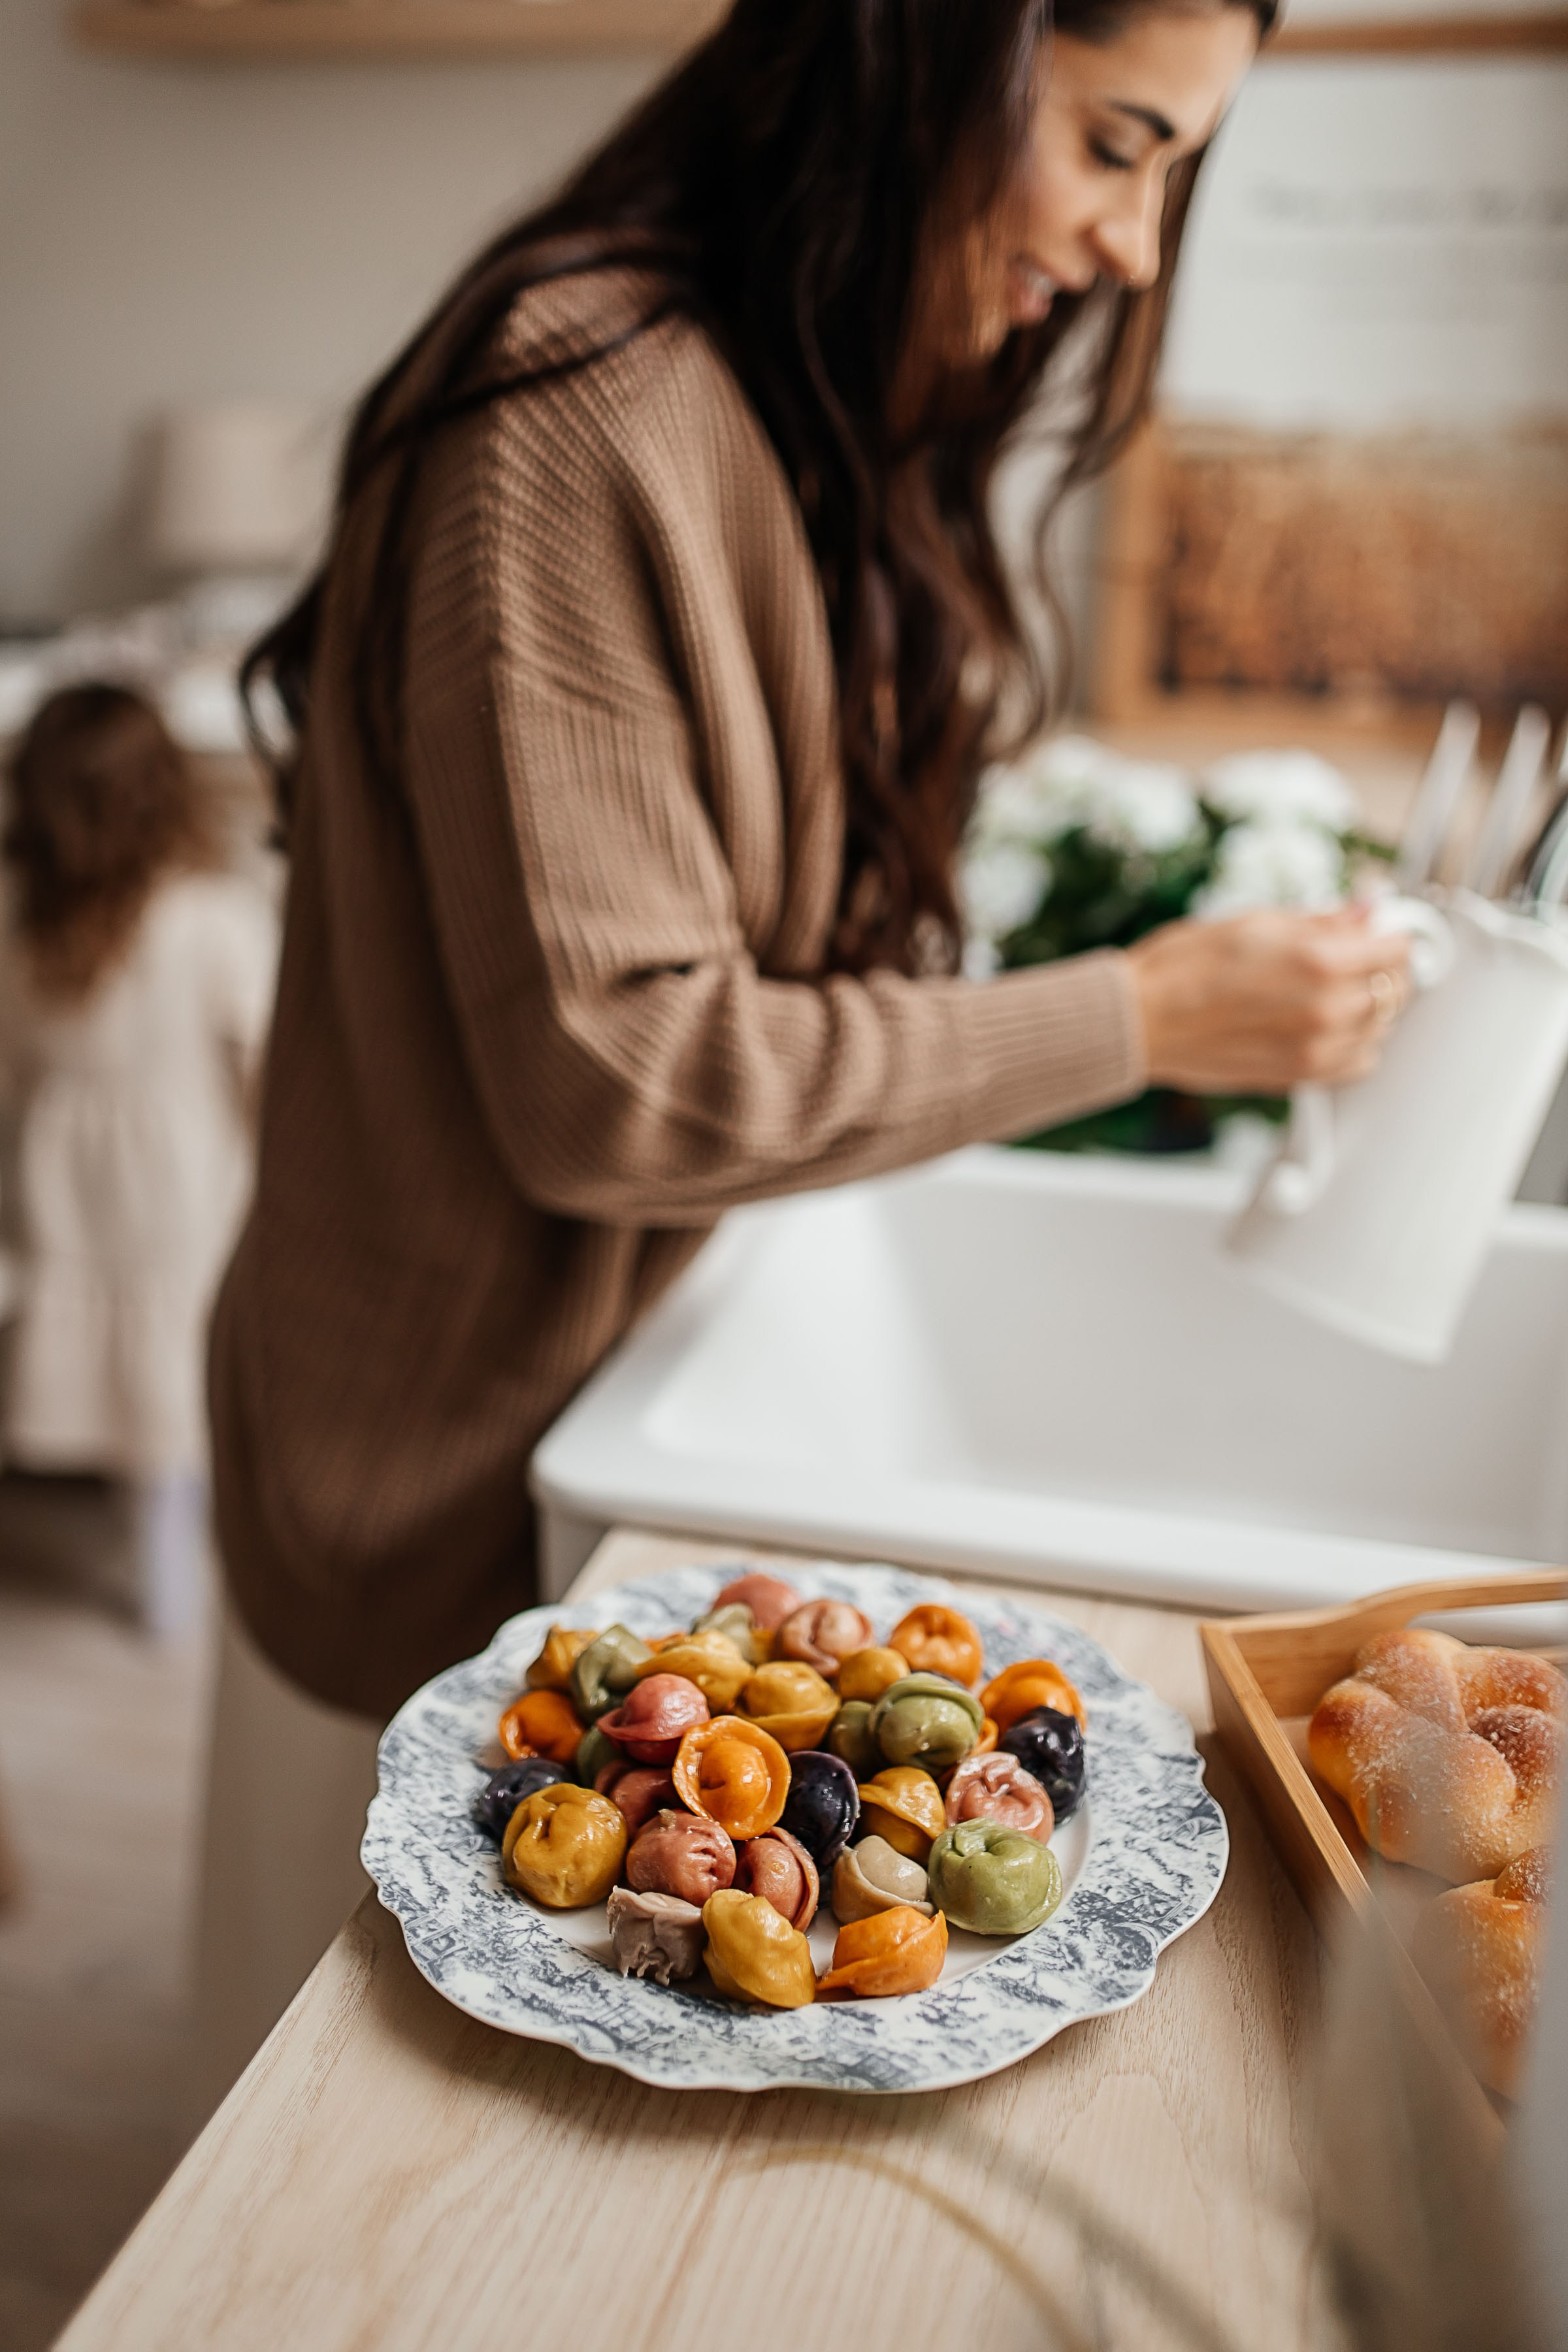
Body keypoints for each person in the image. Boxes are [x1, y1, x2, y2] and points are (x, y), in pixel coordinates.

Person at [195, 0, 1413, 2104]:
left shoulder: (786, 408)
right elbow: (621, 1078)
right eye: (1120, 142)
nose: (1135, 242)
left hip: (594, 1424)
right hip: (425, 1469)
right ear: (934, 49)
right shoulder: (571, 419)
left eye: (1171, 175)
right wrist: (1152, 1011)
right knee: (284, 2175)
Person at [0, 683, 277, 1636]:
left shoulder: (19, 916)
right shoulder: (211, 915)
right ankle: (167, 1580)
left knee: (121, 1368)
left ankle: (148, 1547)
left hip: (60, 1184)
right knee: (167, 1385)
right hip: (179, 1185)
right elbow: (259, 1066)